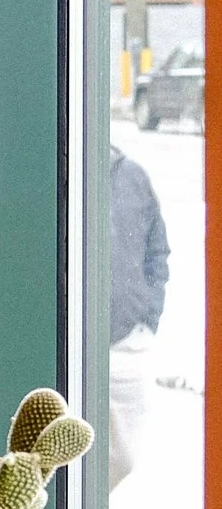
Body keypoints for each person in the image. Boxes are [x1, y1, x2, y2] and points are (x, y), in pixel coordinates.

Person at [108, 142, 170, 489]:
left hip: (126, 342)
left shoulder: (131, 176)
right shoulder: (58, 172)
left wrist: (147, 316)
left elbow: (157, 250)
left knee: (124, 457)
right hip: (71, 342)